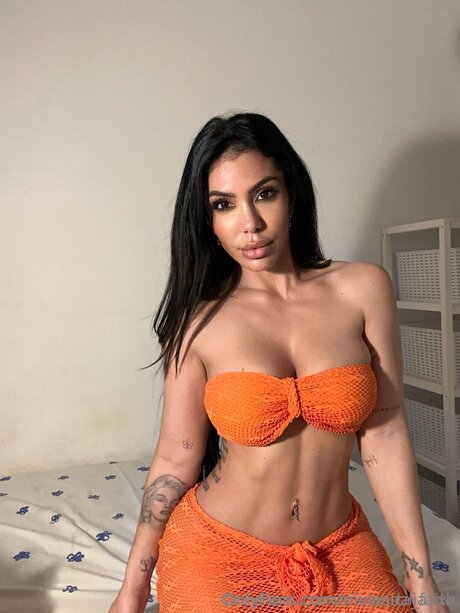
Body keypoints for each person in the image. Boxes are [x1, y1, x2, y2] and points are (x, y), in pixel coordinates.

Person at [108, 112, 450, 613]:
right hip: (219, 548)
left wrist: (421, 582)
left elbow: (384, 433)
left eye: (264, 194)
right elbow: (177, 458)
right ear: (208, 221)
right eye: (224, 205)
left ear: (291, 196)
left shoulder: (363, 289)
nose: (250, 223)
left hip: (338, 547)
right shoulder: (197, 321)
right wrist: (133, 590)